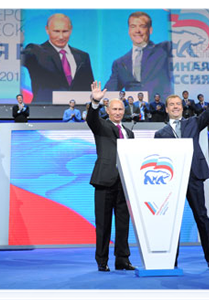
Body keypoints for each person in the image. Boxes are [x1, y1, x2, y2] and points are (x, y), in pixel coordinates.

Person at [154, 71, 209, 270]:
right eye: (172, 105)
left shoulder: (193, 122)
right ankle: (171, 261)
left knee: (202, 217)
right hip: (172, 181)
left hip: (194, 176)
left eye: (178, 104)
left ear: (182, 107)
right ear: (166, 109)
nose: (175, 107)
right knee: (172, 221)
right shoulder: (160, 134)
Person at [87, 81, 135, 272]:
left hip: (124, 184)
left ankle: (122, 260)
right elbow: (91, 119)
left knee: (123, 224)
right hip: (104, 181)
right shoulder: (101, 126)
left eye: (120, 109)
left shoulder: (129, 133)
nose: (117, 112)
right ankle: (102, 260)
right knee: (103, 224)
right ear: (107, 110)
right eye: (114, 109)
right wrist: (94, 102)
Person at [22, 13, 94, 104]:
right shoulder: (35, 51)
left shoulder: (83, 56)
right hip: (46, 112)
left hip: (77, 111)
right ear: (47, 30)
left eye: (65, 31)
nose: (61, 37)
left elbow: (89, 89)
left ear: (71, 30)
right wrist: (17, 42)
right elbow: (16, 59)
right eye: (56, 31)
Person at [104, 11, 172, 99]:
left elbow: (179, 39)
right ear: (129, 30)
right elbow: (108, 93)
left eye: (142, 26)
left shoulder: (164, 50)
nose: (137, 31)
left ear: (150, 30)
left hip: (159, 108)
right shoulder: (120, 63)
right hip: (133, 110)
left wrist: (173, 10)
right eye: (133, 26)